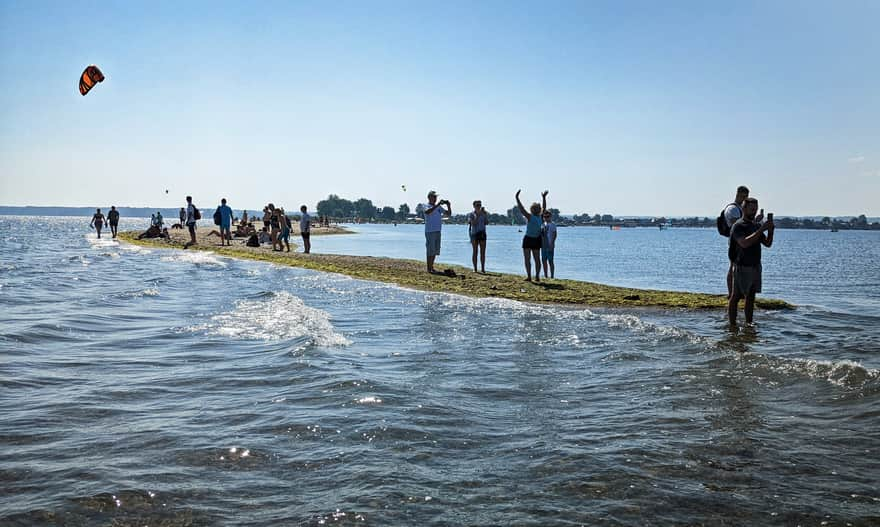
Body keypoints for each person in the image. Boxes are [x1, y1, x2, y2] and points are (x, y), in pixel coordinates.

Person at [728, 197, 774, 325]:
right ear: (744, 208)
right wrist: (761, 230)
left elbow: (768, 244)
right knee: (736, 296)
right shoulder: (738, 226)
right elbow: (744, 243)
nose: (753, 211)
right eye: (751, 209)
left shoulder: (755, 225)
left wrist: (771, 230)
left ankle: (749, 324)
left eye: (755, 209)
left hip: (755, 265)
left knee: (751, 297)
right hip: (741, 265)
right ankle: (732, 324)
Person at [722, 186, 750, 298]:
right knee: (733, 266)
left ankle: (739, 291)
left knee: (740, 266)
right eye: (743, 196)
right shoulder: (732, 209)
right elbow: (737, 225)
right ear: (737, 194)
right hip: (735, 241)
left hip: (741, 240)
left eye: (746, 197)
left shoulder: (740, 208)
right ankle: (731, 293)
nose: (744, 199)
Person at [515, 190, 548, 282]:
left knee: (535, 259)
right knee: (528, 259)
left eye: (537, 208)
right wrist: (517, 198)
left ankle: (536, 276)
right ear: (532, 210)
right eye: (535, 208)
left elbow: (544, 208)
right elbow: (521, 209)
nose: (536, 210)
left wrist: (544, 198)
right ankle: (530, 276)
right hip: (529, 239)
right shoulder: (530, 216)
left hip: (535, 239)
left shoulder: (540, 217)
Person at [421, 190, 452, 273]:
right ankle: (429, 268)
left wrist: (449, 205)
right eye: (434, 197)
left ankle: (431, 267)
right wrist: (438, 204)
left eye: (436, 197)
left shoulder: (438, 207)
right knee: (430, 250)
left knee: (435, 250)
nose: (435, 198)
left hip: (438, 230)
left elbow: (448, 214)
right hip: (430, 231)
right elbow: (428, 212)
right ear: (429, 197)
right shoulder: (425, 205)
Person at [467, 200, 487, 273]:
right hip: (474, 234)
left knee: (483, 252)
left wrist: (485, 215)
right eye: (477, 205)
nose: (479, 206)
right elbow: (473, 223)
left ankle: (483, 268)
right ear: (474, 206)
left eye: (480, 205)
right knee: (475, 251)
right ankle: (475, 268)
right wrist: (478, 215)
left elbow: (486, 222)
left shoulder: (483, 214)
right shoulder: (471, 214)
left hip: (482, 233)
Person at [541, 210, 557, 279]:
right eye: (545, 217)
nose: (546, 218)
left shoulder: (553, 225)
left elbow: (554, 235)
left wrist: (552, 244)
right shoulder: (543, 224)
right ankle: (546, 275)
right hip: (543, 245)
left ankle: (552, 276)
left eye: (547, 216)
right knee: (544, 260)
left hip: (549, 245)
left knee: (550, 261)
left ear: (550, 217)